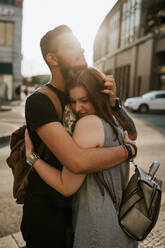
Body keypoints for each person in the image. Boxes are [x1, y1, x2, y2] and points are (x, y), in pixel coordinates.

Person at [21, 25, 137, 248]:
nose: (81, 49)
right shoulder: (39, 101)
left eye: (79, 45)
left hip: (80, 213)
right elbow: (76, 161)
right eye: (72, 46)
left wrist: (116, 104)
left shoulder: (82, 91)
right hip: (48, 216)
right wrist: (129, 150)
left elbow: (131, 132)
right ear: (53, 58)